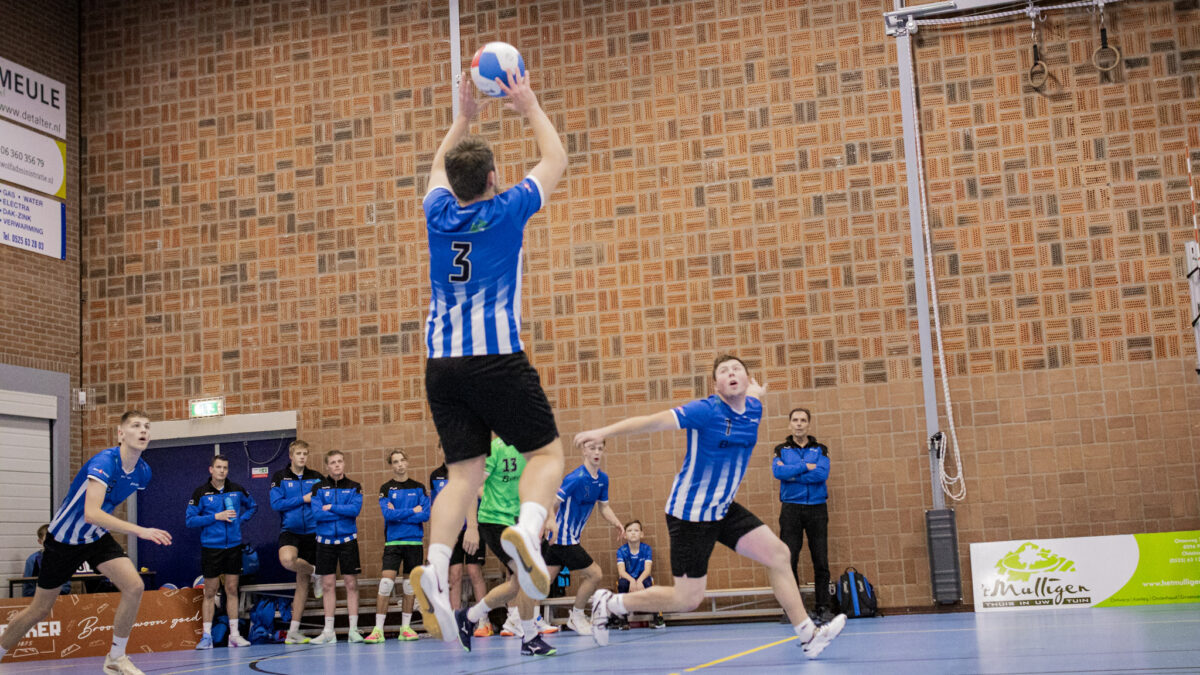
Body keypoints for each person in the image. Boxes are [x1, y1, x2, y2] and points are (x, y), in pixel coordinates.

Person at [411, 64, 570, 646]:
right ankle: (528, 529)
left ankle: (435, 566)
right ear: (495, 178)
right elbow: (556, 160)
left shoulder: (437, 212)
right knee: (545, 454)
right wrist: (528, 105)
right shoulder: (507, 209)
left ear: (453, 184)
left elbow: (436, 167)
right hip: (497, 358)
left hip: (442, 366)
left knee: (462, 474)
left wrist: (462, 119)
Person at [574, 355, 846, 659]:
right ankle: (611, 603)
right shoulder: (705, 410)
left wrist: (757, 391)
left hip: (723, 508)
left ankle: (808, 635)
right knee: (687, 600)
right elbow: (652, 421)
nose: (731, 374)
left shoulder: (753, 407)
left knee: (779, 555)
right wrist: (603, 433)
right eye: (724, 372)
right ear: (715, 385)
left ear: (746, 379)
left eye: (737, 369)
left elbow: (753, 395)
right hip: (690, 514)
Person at [0, 411, 171, 675]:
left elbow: (106, 507)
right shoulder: (105, 461)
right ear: (120, 434)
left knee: (134, 586)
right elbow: (91, 512)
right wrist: (140, 531)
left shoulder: (143, 472)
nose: (143, 431)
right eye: (136, 426)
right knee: (40, 609)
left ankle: (116, 657)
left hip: (95, 537)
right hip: (64, 540)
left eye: (147, 426)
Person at [448, 437, 557, 656]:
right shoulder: (493, 450)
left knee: (515, 585)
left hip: (518, 521)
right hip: (494, 522)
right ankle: (530, 638)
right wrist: (472, 527)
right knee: (528, 576)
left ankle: (468, 617)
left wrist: (550, 517)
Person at [545, 439, 626, 635]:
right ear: (584, 451)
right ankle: (577, 616)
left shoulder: (603, 479)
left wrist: (617, 522)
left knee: (544, 581)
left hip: (570, 537)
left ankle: (520, 618)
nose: (597, 452)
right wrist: (550, 522)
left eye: (600, 448)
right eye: (592, 448)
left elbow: (604, 507)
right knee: (595, 574)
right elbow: (552, 501)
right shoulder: (576, 478)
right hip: (563, 538)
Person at [185, 454, 258, 649]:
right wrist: (216, 517)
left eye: (225, 467)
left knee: (232, 589)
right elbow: (190, 520)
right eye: (218, 467)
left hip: (233, 547)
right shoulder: (200, 493)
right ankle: (207, 636)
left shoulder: (237, 489)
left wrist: (240, 521)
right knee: (210, 591)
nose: (222, 471)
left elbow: (253, 506)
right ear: (211, 469)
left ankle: (234, 635)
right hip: (211, 548)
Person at [773, 407, 833, 624]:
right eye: (795, 420)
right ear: (790, 424)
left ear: (808, 424)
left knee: (821, 560)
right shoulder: (781, 450)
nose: (799, 424)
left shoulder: (820, 449)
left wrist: (793, 474)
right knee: (790, 560)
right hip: (791, 509)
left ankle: (823, 607)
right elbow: (778, 472)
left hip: (817, 509)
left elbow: (821, 474)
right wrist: (805, 466)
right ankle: (793, 610)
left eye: (803, 420)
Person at [366, 449, 430, 643]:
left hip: (414, 543)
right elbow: (388, 515)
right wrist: (412, 510)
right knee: (386, 584)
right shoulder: (386, 488)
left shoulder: (419, 487)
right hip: (393, 543)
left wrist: (399, 513)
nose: (400, 464)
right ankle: (378, 630)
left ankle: (406, 628)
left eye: (402, 460)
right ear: (391, 465)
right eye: (395, 461)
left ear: (407, 462)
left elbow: (425, 515)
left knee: (410, 587)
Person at [268, 439, 325, 644]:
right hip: (290, 531)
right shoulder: (280, 477)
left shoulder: (316, 477)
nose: (302, 457)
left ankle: (293, 631)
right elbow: (276, 504)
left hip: (313, 532)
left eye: (305, 454)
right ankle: (316, 572)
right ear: (291, 456)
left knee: (302, 583)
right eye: (299, 454)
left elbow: (323, 501)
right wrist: (303, 499)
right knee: (288, 560)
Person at [430, 450, 491, 637]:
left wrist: (473, 526)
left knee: (474, 571)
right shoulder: (436, 476)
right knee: (454, 574)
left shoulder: (469, 470)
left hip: (472, 529)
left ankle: (483, 620)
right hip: (452, 532)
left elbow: (479, 497)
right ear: (439, 450)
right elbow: (436, 505)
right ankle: (455, 620)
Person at [309, 450, 364, 644]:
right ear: (327, 466)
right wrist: (342, 512)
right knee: (327, 585)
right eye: (333, 462)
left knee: (351, 584)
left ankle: (353, 630)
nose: (337, 465)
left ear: (344, 463)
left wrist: (331, 507)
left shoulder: (354, 486)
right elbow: (317, 514)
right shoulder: (317, 488)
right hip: (325, 542)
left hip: (348, 541)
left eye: (340, 461)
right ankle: (328, 632)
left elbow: (354, 510)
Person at [614, 520, 664, 629]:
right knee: (622, 584)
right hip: (628, 579)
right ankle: (623, 620)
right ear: (625, 535)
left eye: (636, 530)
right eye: (629, 531)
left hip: (643, 578)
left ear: (641, 534)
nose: (633, 533)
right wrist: (632, 581)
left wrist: (639, 581)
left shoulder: (646, 549)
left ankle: (657, 618)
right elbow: (621, 572)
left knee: (649, 584)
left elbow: (647, 570)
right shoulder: (621, 551)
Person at [23, 524, 71, 597]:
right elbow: (28, 590)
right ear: (40, 541)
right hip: (39, 599)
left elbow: (66, 587)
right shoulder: (32, 560)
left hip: (60, 598)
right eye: (47, 540)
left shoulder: (63, 558)